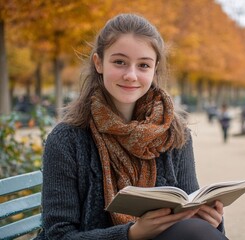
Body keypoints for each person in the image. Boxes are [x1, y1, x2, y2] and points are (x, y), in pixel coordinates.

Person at [35, 13, 228, 240]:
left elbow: (189, 204)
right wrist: (132, 233)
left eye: (143, 65)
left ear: (154, 70)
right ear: (99, 63)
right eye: (119, 62)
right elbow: (58, 235)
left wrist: (212, 220)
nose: (131, 75)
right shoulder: (67, 139)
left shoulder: (175, 133)